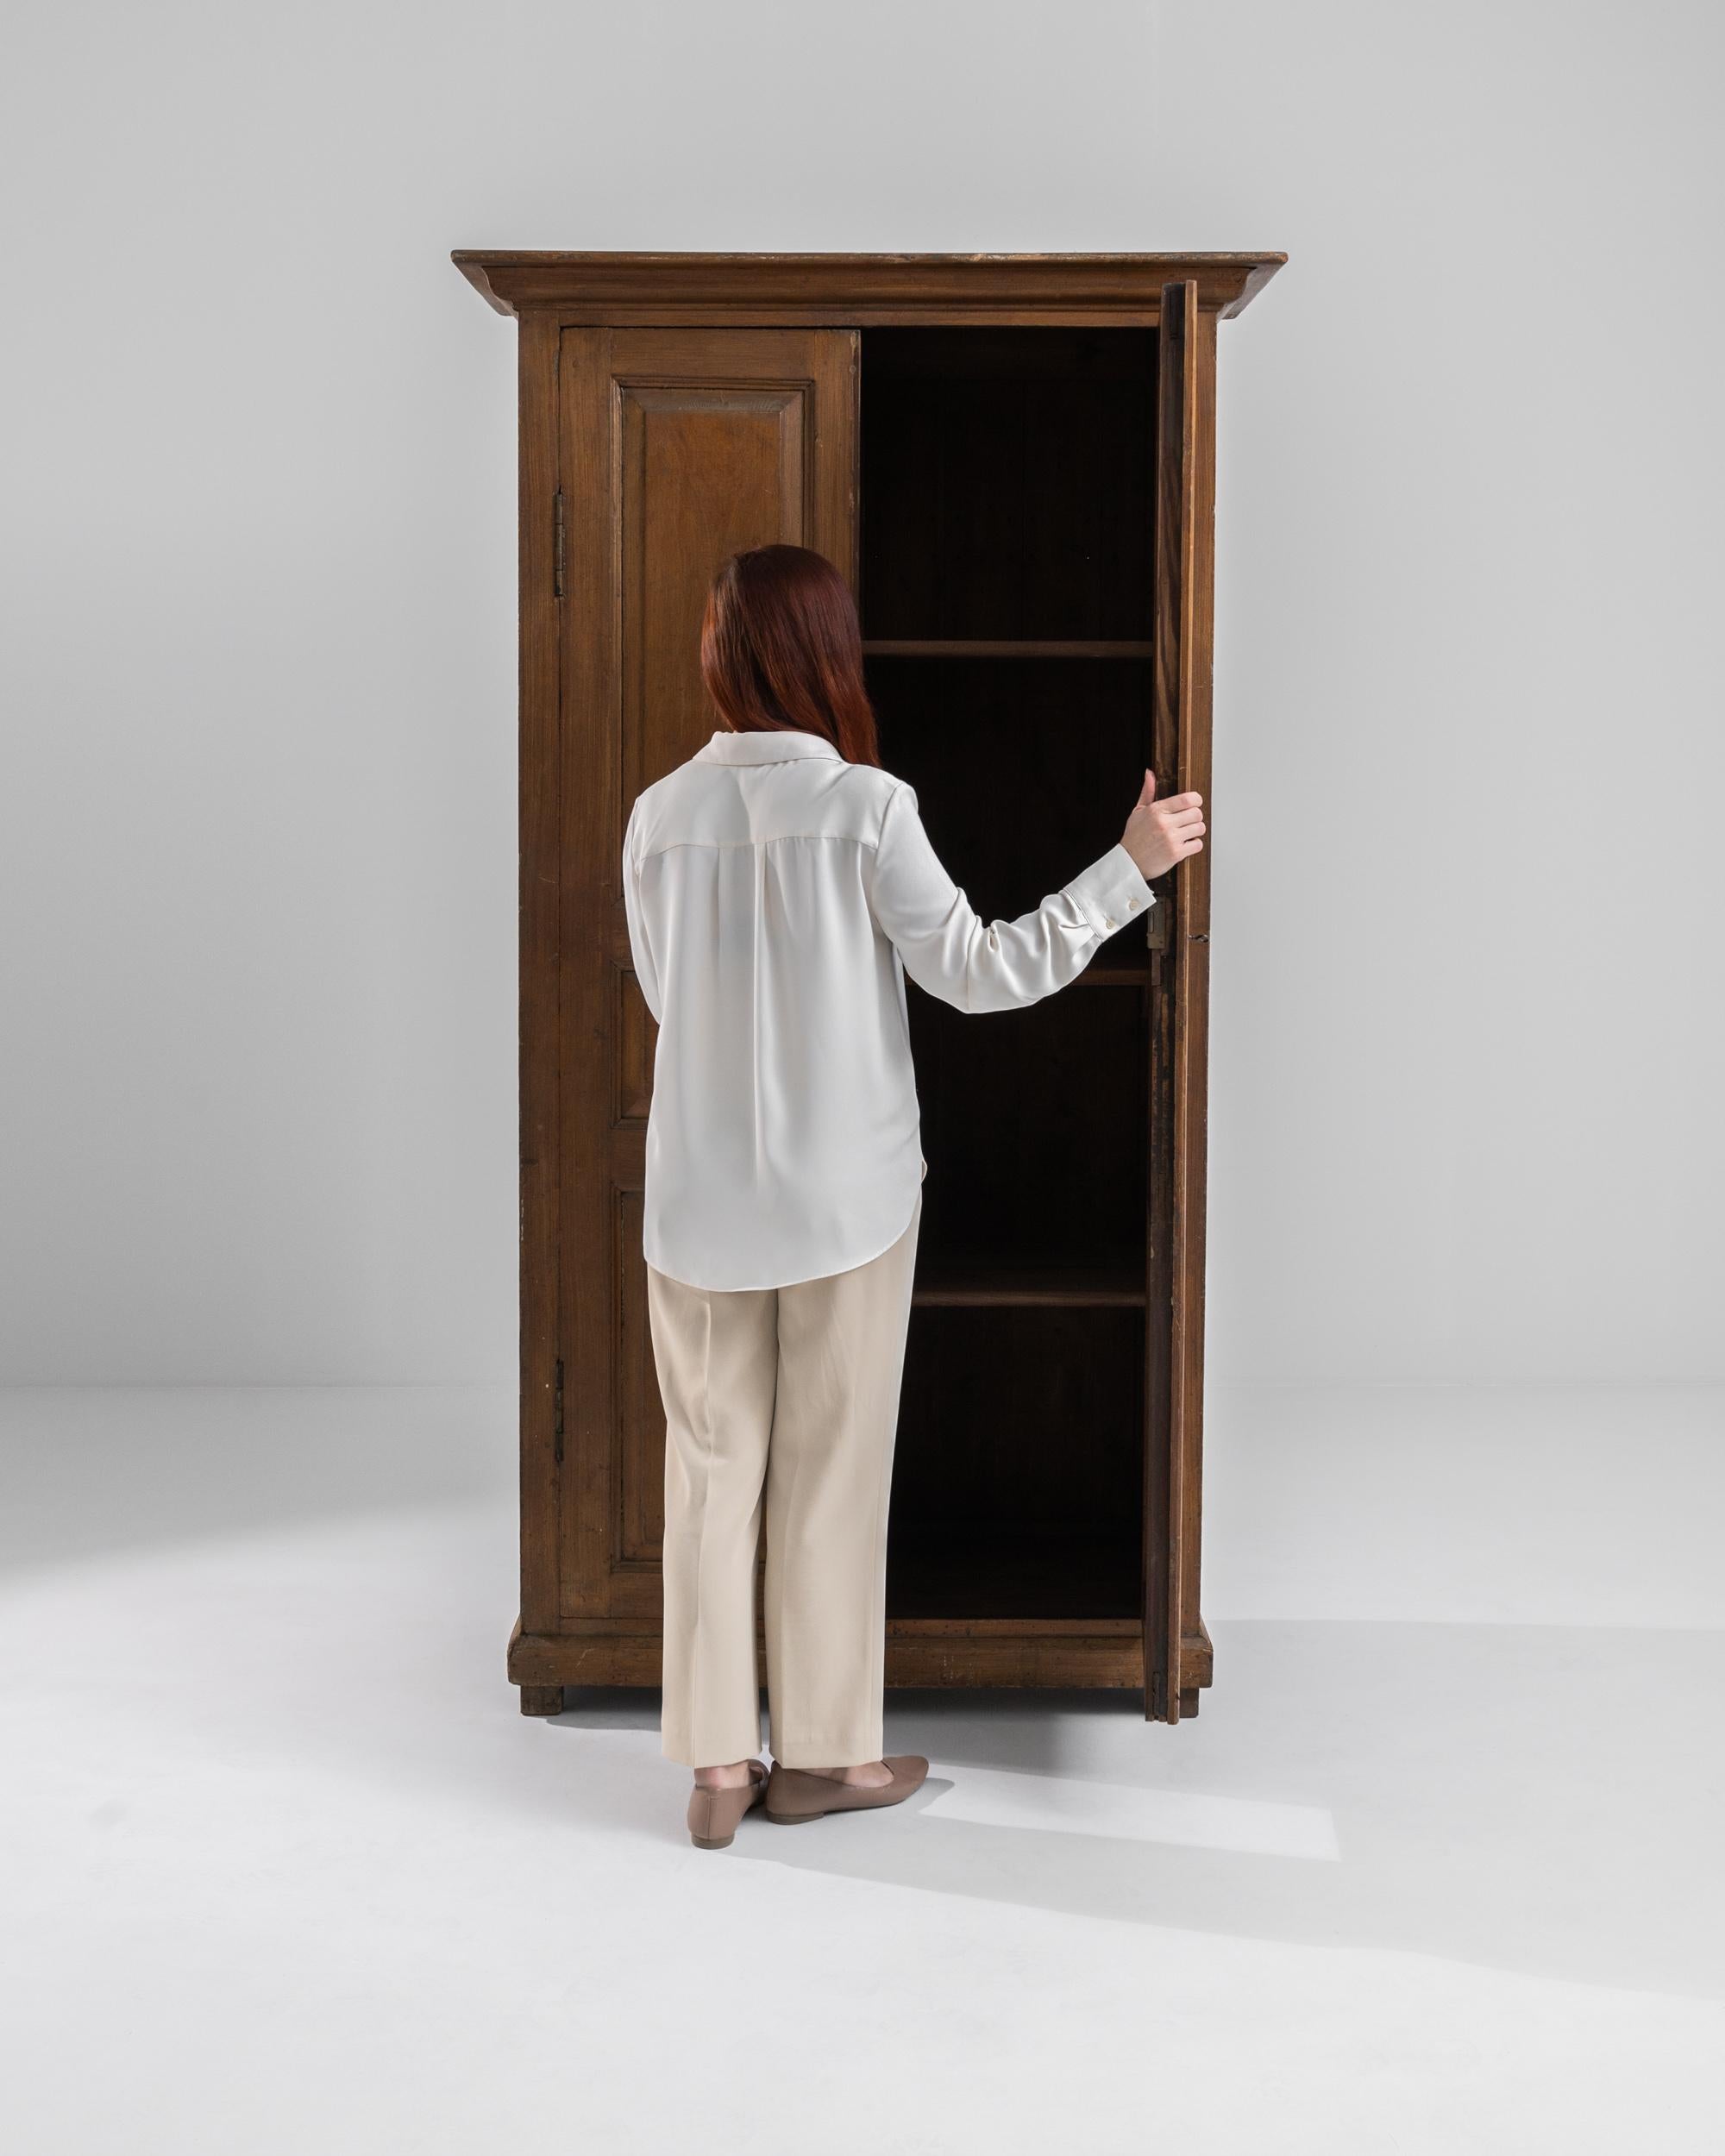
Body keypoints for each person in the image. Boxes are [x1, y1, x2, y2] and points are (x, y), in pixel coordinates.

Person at [621, 544, 1207, 1850]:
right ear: (829, 653)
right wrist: (1129, 867)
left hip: (697, 1200)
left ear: (722, 654)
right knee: (828, 1477)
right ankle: (821, 1762)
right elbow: (984, 975)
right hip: (848, 1200)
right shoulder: (870, 807)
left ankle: (716, 1769)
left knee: (712, 1477)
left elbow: (665, 999)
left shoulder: (658, 814)